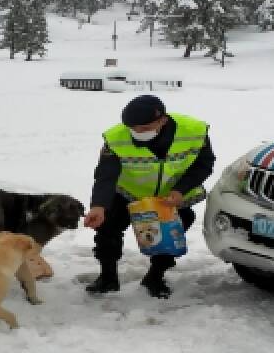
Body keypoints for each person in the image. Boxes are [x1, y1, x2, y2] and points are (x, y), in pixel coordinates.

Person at [83, 94, 215, 298]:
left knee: (168, 237)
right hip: (129, 193)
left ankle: (155, 277)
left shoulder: (194, 131)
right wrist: (99, 205)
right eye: (132, 129)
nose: (137, 133)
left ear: (162, 120)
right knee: (107, 229)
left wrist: (180, 190)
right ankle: (108, 278)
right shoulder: (116, 138)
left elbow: (204, 164)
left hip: (169, 198)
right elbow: (106, 174)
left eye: (143, 129)